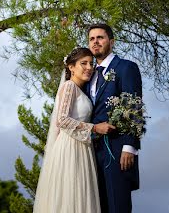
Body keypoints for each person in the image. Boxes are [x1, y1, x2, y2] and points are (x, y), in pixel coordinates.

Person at [33, 47, 115, 213]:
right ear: (71, 67)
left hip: (82, 147)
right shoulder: (69, 86)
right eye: (83, 63)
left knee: (80, 195)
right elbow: (62, 120)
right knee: (70, 194)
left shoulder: (80, 90)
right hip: (70, 147)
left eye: (91, 63)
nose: (89, 67)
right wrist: (95, 128)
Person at [87, 23, 143, 213]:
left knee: (118, 205)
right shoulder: (90, 75)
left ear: (111, 41)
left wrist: (130, 146)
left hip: (118, 150)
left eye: (100, 38)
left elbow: (133, 106)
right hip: (92, 153)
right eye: (92, 39)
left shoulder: (126, 67)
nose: (95, 42)